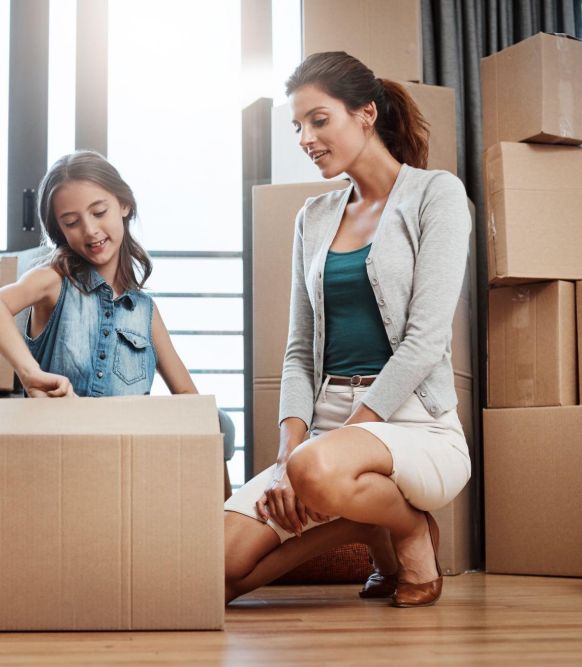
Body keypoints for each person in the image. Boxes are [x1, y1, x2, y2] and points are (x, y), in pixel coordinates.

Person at [224, 51, 472, 608]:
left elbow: (425, 340)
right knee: (216, 570)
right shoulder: (312, 217)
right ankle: (363, 523)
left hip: (413, 426)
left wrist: (319, 456)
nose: (306, 138)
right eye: (297, 126)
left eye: (318, 120)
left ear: (365, 113)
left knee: (318, 467)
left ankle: (407, 531)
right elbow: (297, 350)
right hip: (326, 436)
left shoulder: (437, 195)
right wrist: (291, 455)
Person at [0, 150, 198, 402]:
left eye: (99, 212)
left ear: (124, 205)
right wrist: (30, 373)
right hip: (59, 438)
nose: (90, 230)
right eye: (71, 222)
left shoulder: (145, 311)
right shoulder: (53, 281)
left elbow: (189, 397)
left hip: (126, 440)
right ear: (60, 230)